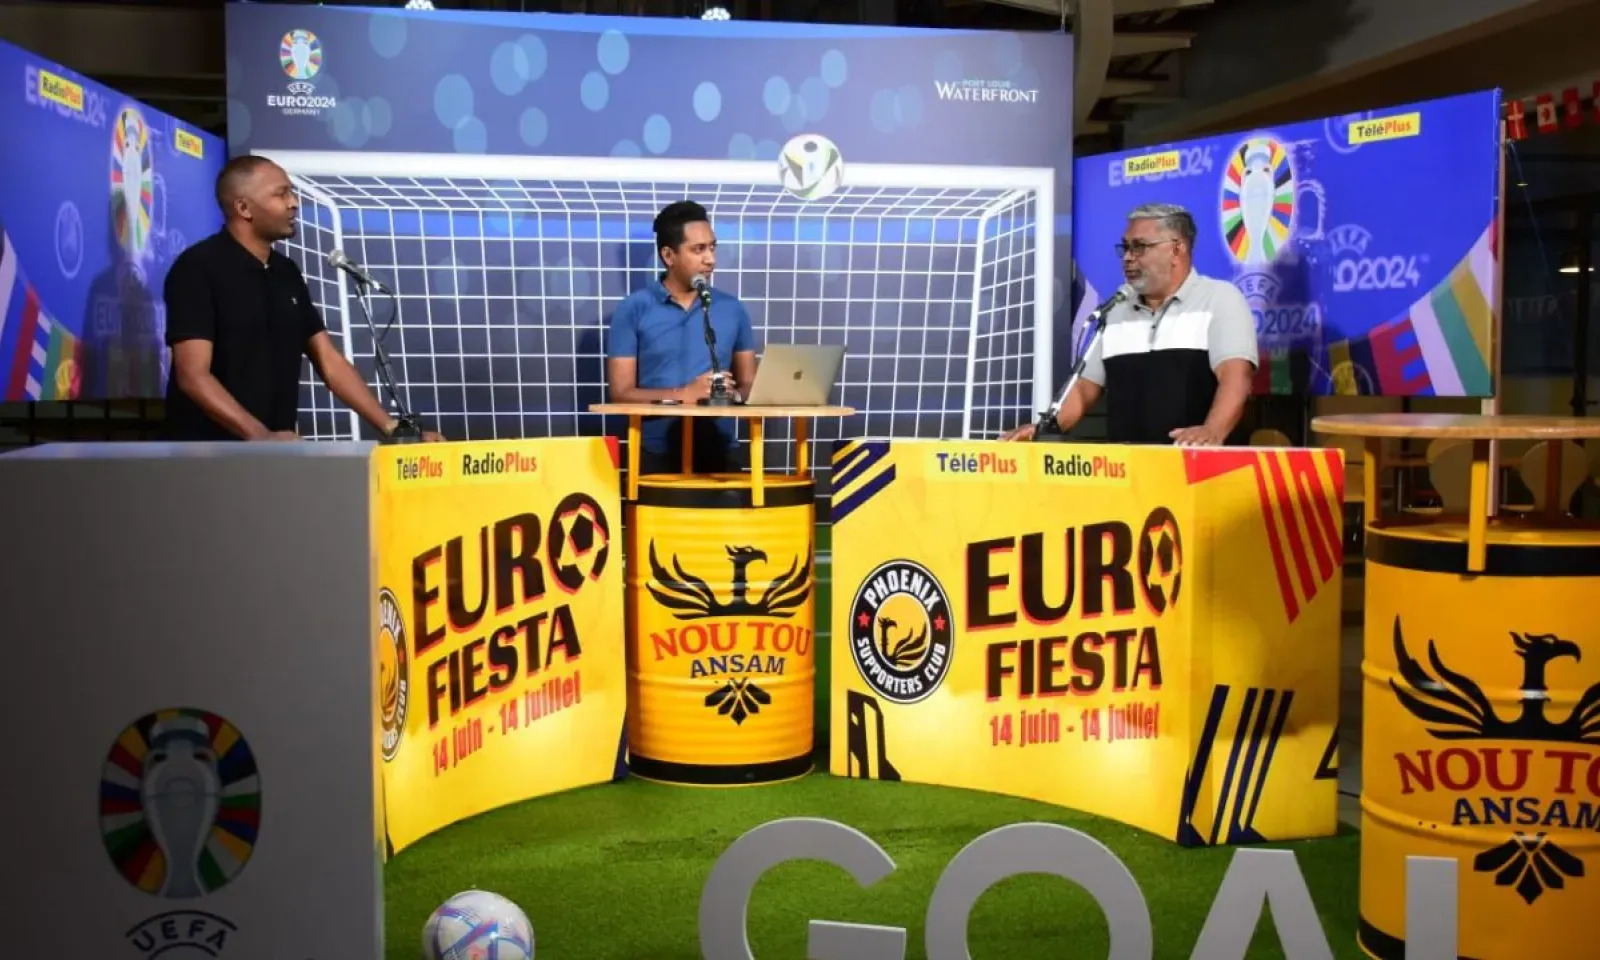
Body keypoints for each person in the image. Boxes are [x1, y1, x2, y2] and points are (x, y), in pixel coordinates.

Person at [163, 155, 443, 443]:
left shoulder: (286, 272)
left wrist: (393, 428)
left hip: (277, 452)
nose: (294, 202)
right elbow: (193, 376)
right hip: (208, 455)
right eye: (281, 194)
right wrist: (261, 436)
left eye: (292, 193)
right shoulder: (197, 268)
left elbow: (329, 362)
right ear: (244, 208)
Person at [1003, 203, 1258, 446]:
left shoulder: (1219, 299)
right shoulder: (1116, 310)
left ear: (1176, 249)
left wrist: (1212, 430)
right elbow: (1084, 389)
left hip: (1197, 465)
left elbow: (1235, 377)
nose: (1127, 257)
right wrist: (1043, 430)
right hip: (1127, 467)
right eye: (1125, 247)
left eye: (1139, 247)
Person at [606, 200, 758, 474]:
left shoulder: (732, 308)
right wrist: (684, 395)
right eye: (698, 249)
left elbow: (750, 385)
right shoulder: (634, 308)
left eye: (712, 247)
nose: (710, 259)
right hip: (656, 456)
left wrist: (733, 394)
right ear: (669, 255)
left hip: (722, 454)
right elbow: (621, 393)